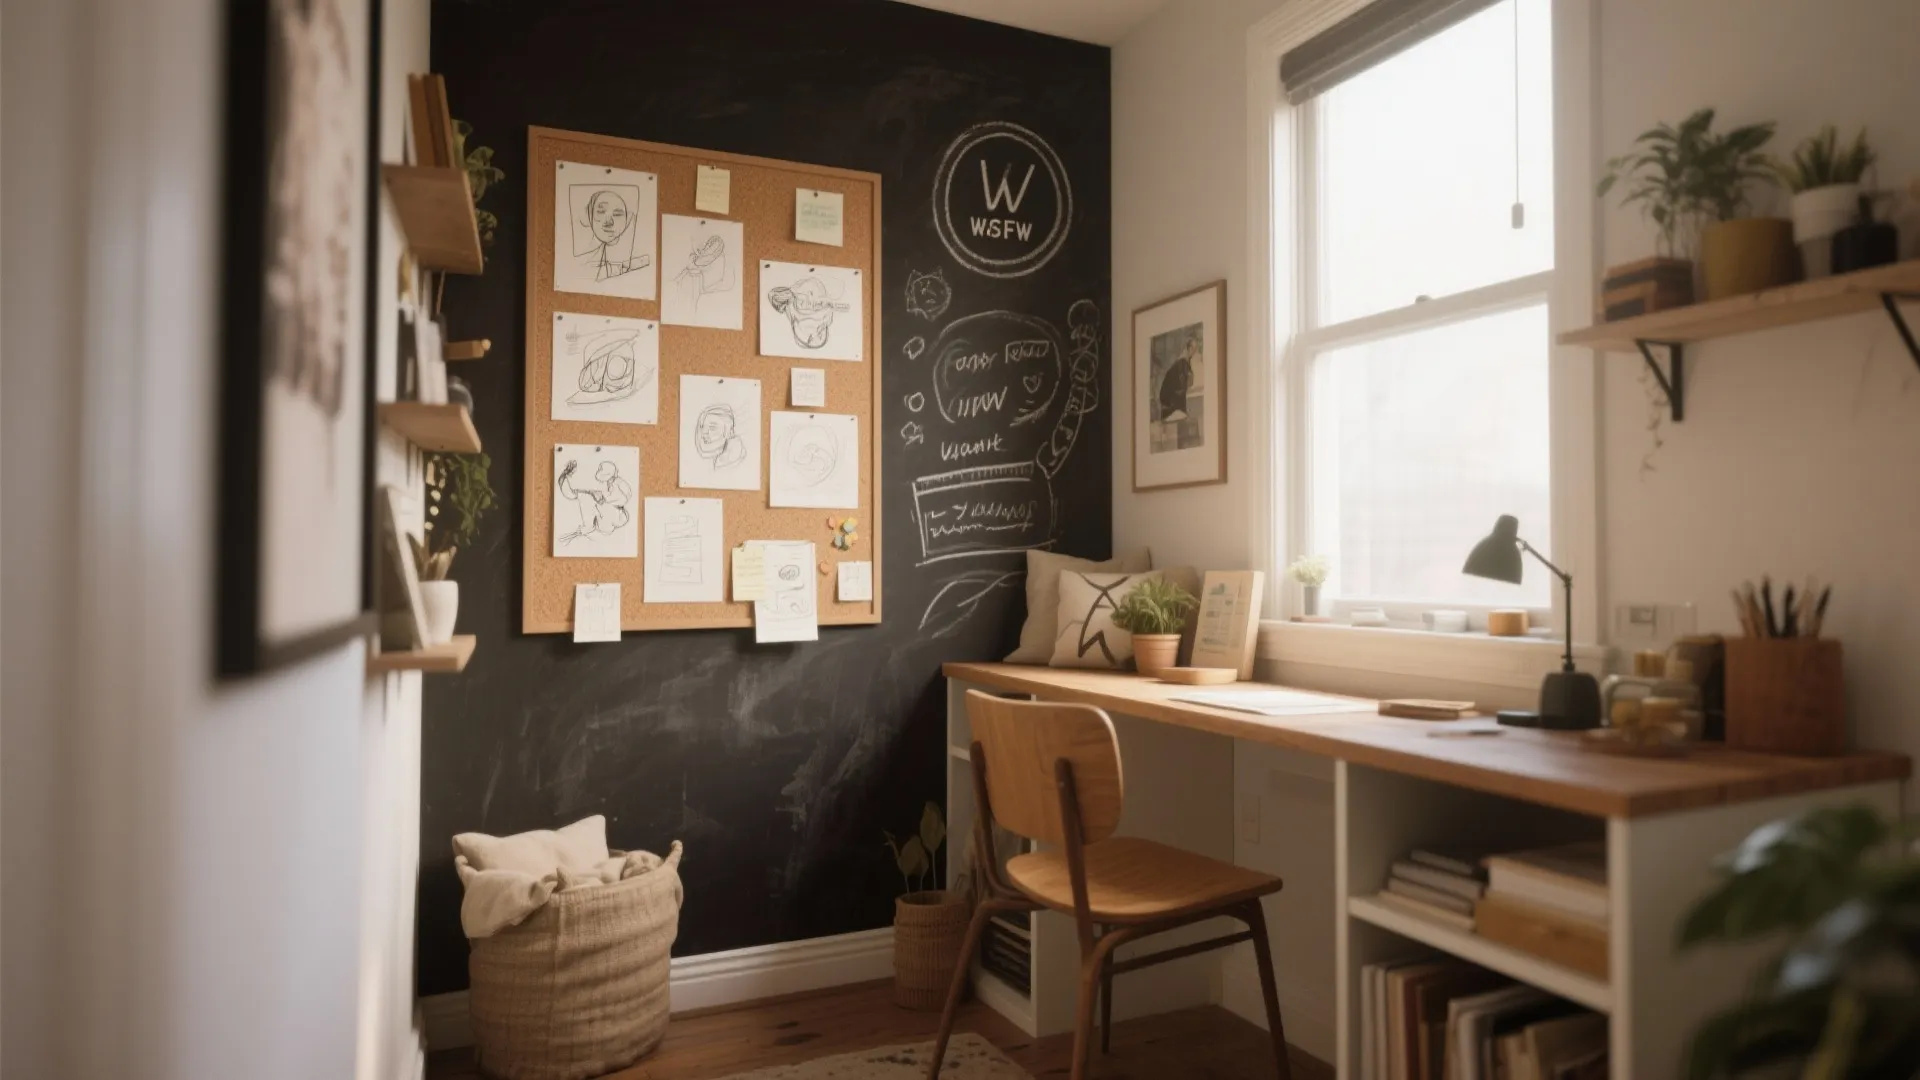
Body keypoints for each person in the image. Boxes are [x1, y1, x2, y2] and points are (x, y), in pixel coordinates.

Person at [556, 458, 632, 544]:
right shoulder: (610, 482)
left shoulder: (618, 483)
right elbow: (570, 494)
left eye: (600, 470)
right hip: (608, 520)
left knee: (586, 496)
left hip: (613, 518)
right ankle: (588, 526)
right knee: (585, 495)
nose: (598, 472)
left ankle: (588, 527)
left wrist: (604, 497)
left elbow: (624, 498)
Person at [1156, 336, 1197, 422]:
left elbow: (1186, 384)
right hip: (1172, 409)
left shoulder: (1181, 364)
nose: (1194, 352)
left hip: (1172, 407)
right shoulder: (1182, 364)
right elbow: (1183, 386)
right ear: (1189, 348)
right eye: (1193, 349)